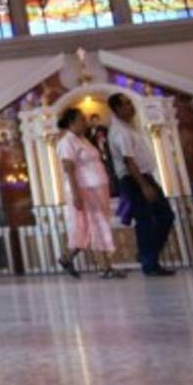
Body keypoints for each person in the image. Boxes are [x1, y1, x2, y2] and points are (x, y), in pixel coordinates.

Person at [106, 93, 176, 276]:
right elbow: (129, 161)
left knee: (166, 216)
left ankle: (147, 255)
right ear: (117, 109)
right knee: (146, 221)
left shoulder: (129, 127)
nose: (131, 106)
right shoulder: (120, 132)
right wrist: (144, 186)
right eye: (127, 104)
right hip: (134, 180)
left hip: (144, 177)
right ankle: (149, 263)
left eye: (130, 103)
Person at [55, 108, 125, 279]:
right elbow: (69, 169)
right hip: (85, 189)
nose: (85, 123)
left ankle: (67, 258)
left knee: (89, 227)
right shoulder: (67, 142)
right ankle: (105, 267)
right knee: (97, 224)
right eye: (81, 120)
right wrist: (76, 194)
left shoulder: (83, 140)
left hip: (98, 188)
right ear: (72, 122)